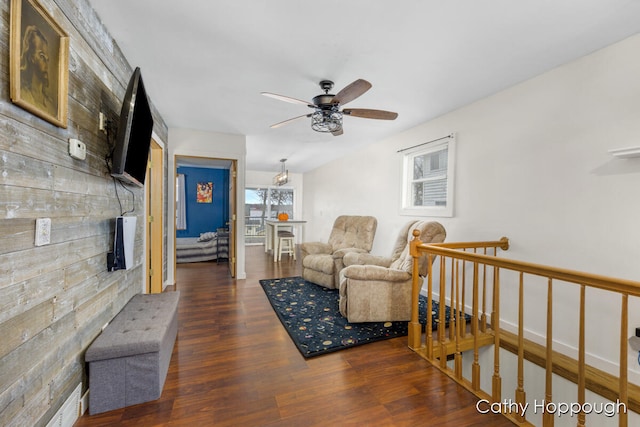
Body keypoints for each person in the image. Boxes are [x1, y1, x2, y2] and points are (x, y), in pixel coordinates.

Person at [20, 25, 56, 116]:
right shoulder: (22, 94)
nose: (46, 65)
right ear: (32, 58)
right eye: (42, 56)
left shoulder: (50, 106)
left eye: (47, 59)